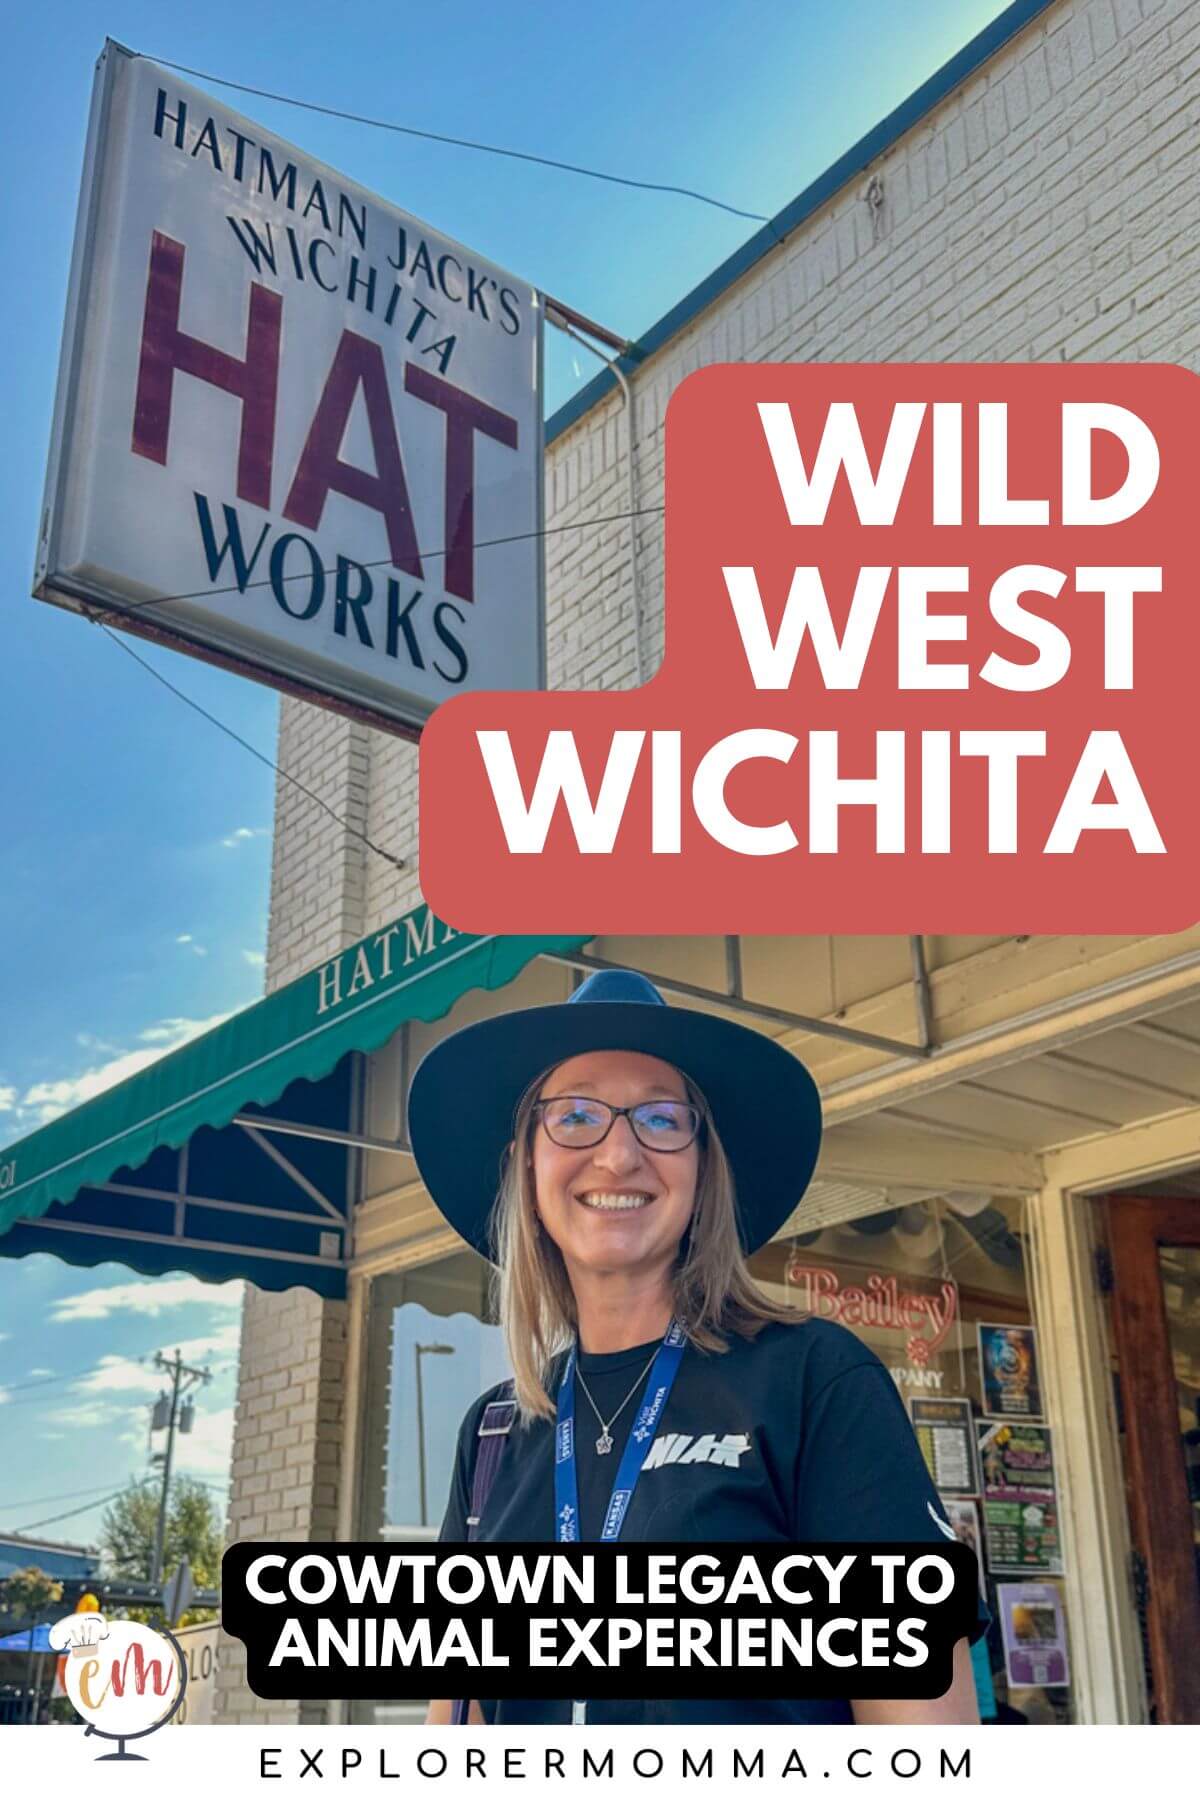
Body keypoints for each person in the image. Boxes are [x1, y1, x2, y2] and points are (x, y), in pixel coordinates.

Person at [408, 968, 982, 1726]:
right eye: (575, 1117)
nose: (618, 1156)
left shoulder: (813, 1383)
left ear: (703, 1163)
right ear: (526, 1161)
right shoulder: (491, 1436)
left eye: (660, 1118)